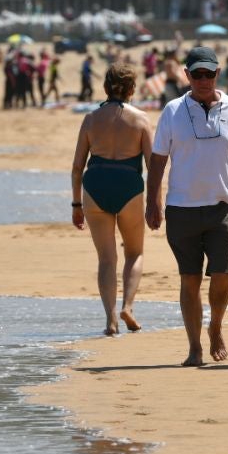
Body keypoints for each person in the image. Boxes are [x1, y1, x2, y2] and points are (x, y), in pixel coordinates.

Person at [146, 46, 228, 367]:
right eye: (197, 74)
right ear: (187, 75)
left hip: (222, 206)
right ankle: (194, 347)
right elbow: (157, 160)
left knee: (223, 275)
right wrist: (153, 201)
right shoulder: (172, 111)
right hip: (181, 208)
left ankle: (216, 327)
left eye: (209, 74)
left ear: (218, 74)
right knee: (190, 279)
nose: (204, 80)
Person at [71, 63, 156, 337]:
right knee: (135, 252)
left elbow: (76, 167)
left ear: (105, 87)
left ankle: (110, 320)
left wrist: (75, 205)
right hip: (128, 185)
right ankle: (128, 307)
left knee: (106, 258)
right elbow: (153, 165)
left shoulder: (90, 119)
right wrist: (156, 202)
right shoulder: (141, 120)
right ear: (132, 89)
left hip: (95, 186)